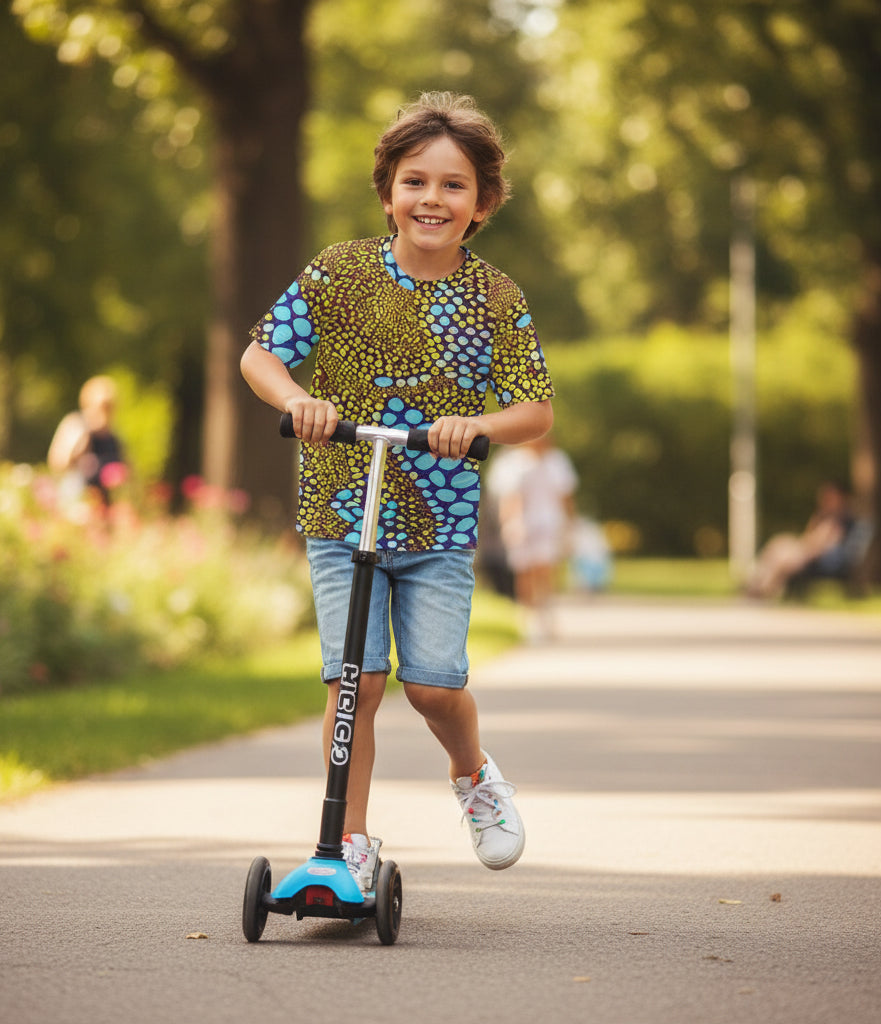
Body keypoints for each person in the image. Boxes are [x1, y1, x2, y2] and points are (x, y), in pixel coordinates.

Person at [240, 92, 554, 883]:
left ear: (481, 202)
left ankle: (474, 775)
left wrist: (476, 424)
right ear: (388, 192)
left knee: (433, 688)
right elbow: (260, 357)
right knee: (357, 680)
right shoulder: (339, 273)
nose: (432, 200)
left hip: (439, 521)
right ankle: (345, 841)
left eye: (453, 185)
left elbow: (536, 411)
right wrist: (298, 401)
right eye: (416, 182)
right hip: (341, 505)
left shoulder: (495, 299)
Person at [487, 435, 578, 639]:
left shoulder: (556, 460)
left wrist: (571, 525)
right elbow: (508, 497)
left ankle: (546, 615)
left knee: (545, 570)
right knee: (525, 573)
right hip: (521, 524)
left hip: (549, 524)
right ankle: (529, 619)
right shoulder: (512, 462)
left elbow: (566, 496)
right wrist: (509, 524)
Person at [745, 480, 855, 599]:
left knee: (783, 559)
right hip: (806, 549)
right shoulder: (821, 517)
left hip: (817, 556)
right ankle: (757, 584)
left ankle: (764, 589)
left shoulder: (842, 521)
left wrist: (809, 547)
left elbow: (828, 546)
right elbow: (807, 536)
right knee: (778, 544)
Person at [47, 375, 127, 510]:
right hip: (78, 497)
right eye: (103, 406)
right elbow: (58, 463)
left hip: (106, 501)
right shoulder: (76, 425)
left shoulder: (113, 436)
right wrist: (81, 443)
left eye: (109, 406)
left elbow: (125, 470)